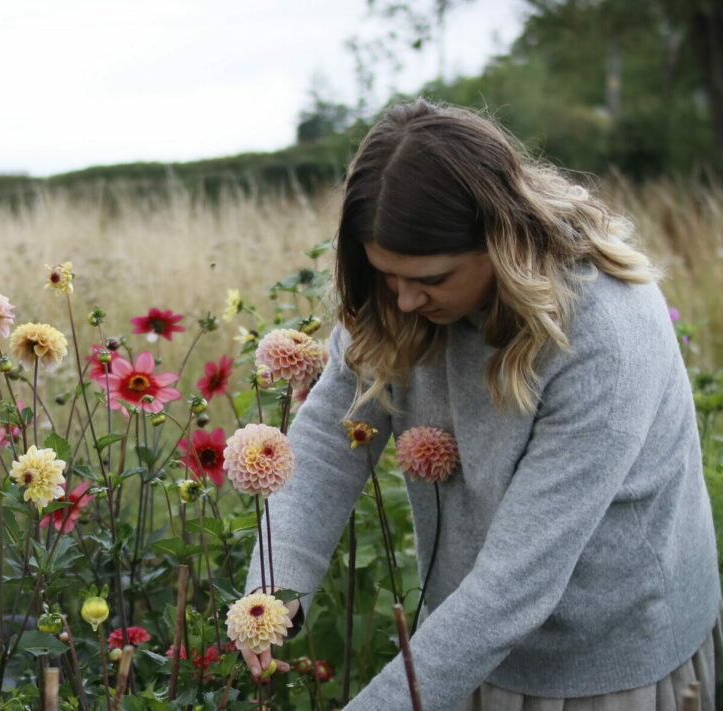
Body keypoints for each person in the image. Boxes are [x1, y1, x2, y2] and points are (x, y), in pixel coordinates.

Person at [242, 99, 722, 711]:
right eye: (387, 277)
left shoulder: (603, 328)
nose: (407, 300)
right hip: (462, 644)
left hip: (608, 659)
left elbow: (517, 581)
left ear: (500, 240)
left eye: (432, 279)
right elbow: (331, 443)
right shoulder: (399, 299)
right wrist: (272, 590)